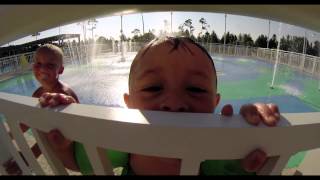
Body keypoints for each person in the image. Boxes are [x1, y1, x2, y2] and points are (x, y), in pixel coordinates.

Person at [38, 37, 280, 175]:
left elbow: (246, 166)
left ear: (215, 104)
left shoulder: (214, 151)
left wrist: (254, 131)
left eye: (195, 89)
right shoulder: (123, 143)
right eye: (153, 88)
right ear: (129, 104)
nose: (174, 104)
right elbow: (78, 161)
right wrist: (65, 137)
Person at [3, 44, 80, 174]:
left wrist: (28, 157)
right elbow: (28, 121)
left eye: (50, 65)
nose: (42, 68)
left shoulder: (63, 95)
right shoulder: (37, 94)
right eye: (38, 63)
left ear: (60, 70)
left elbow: (51, 137)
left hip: (75, 156)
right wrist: (8, 137)